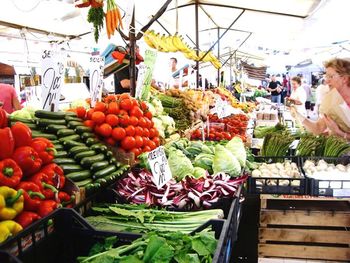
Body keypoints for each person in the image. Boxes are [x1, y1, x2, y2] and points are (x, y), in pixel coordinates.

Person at [291, 58, 350, 141]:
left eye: (331, 76)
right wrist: (297, 115)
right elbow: (318, 129)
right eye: (326, 76)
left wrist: (339, 132)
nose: (326, 81)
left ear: (344, 79)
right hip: (339, 152)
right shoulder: (331, 102)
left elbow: (337, 132)